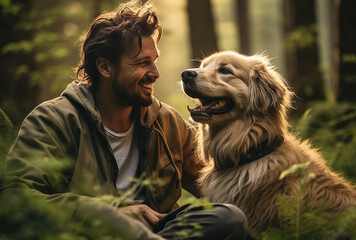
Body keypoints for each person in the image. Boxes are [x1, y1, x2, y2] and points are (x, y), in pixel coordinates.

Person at [4, 1, 247, 239]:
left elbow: (211, 186)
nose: (155, 73)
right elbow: (13, 198)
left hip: (162, 231)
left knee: (229, 217)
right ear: (105, 67)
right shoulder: (53, 121)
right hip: (92, 233)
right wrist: (109, 214)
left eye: (154, 61)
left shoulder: (167, 122)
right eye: (143, 63)